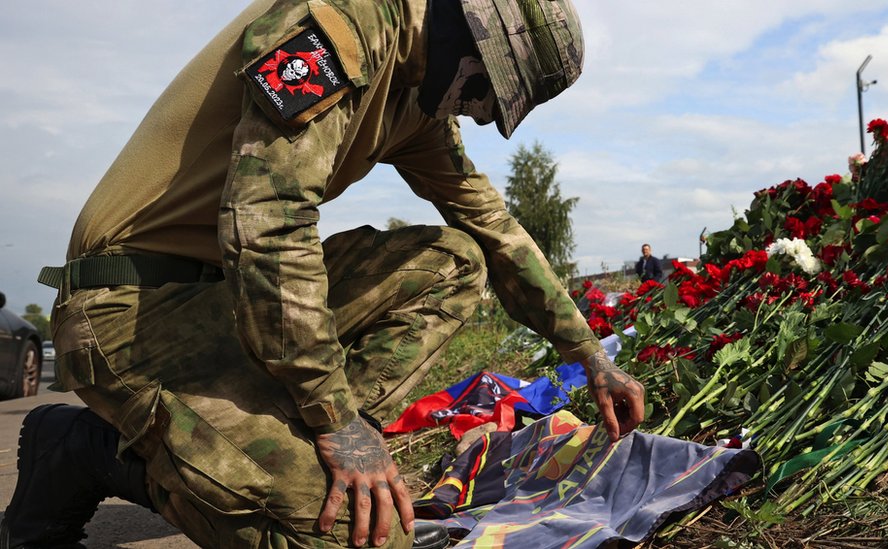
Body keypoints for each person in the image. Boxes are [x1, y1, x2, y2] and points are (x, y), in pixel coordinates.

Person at [1, 1, 646, 548]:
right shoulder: (340, 30)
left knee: (452, 261)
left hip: (223, 301)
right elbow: (269, 221)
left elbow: (493, 228)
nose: (480, 116)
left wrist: (589, 354)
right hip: (128, 311)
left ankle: (291, 450)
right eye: (485, 94)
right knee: (351, 537)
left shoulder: (415, 100)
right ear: (463, 37)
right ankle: (85, 451)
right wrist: (337, 420)